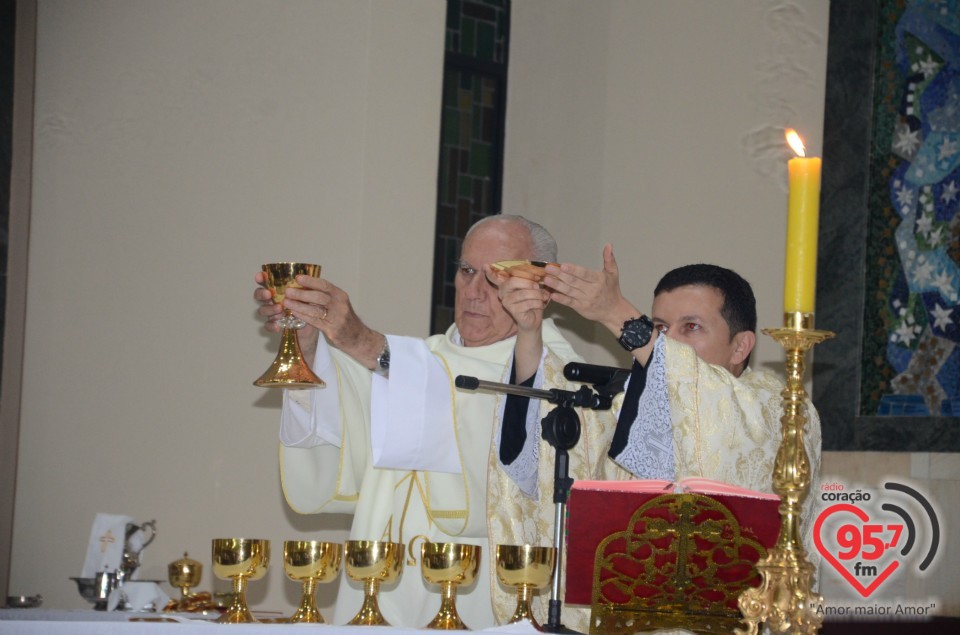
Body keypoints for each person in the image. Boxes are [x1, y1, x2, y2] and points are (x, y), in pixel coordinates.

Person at [254, 215, 617, 629]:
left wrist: (360, 340)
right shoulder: (422, 360)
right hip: (380, 587)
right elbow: (344, 420)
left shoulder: (559, 376)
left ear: (542, 289)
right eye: (466, 272)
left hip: (480, 593)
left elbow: (507, 447)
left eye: (496, 278)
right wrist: (308, 343)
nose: (475, 293)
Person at [496, 244, 822, 632]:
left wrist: (616, 313)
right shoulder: (630, 403)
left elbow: (704, 404)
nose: (670, 343)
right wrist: (529, 333)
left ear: (741, 346)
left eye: (692, 327)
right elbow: (548, 459)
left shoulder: (778, 407)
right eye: (661, 329)